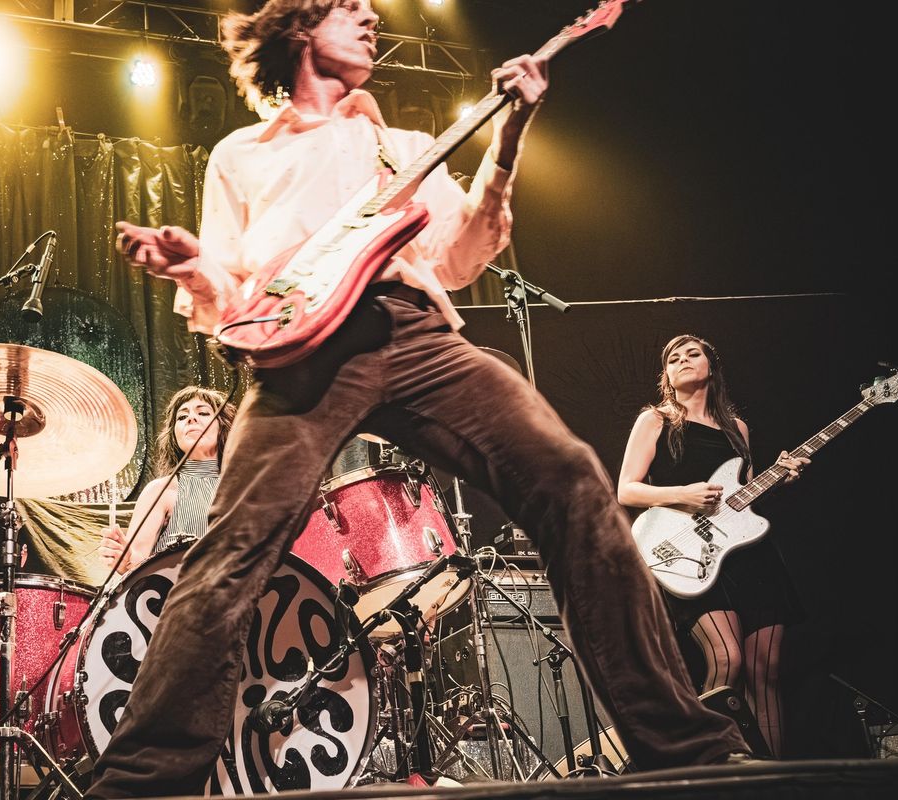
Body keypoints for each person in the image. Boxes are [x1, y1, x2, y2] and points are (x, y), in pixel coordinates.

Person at [89, 2, 750, 795]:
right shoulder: (241, 156)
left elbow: (463, 255)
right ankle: (137, 784)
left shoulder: (397, 147)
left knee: (574, 482)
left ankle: (685, 751)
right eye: (349, 6)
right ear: (299, 27)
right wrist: (189, 263)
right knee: (230, 555)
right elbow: (234, 298)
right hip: (299, 360)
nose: (371, 14)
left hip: (412, 332)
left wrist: (508, 137)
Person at [617, 334, 810, 757]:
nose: (683, 360)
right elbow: (626, 491)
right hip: (689, 554)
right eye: (673, 358)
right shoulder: (655, 420)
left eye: (693, 354)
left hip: (750, 557)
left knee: (767, 670)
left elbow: (744, 501)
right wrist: (680, 494)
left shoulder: (736, 429)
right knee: (728, 661)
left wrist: (779, 479)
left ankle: (775, 778)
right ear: (666, 375)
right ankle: (716, 771)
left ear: (711, 367)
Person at [98, 385, 235, 574]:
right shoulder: (161, 490)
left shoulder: (245, 491)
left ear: (223, 426)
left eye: (203, 413)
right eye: (182, 416)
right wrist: (125, 561)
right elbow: (136, 559)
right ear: (174, 434)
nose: (191, 418)